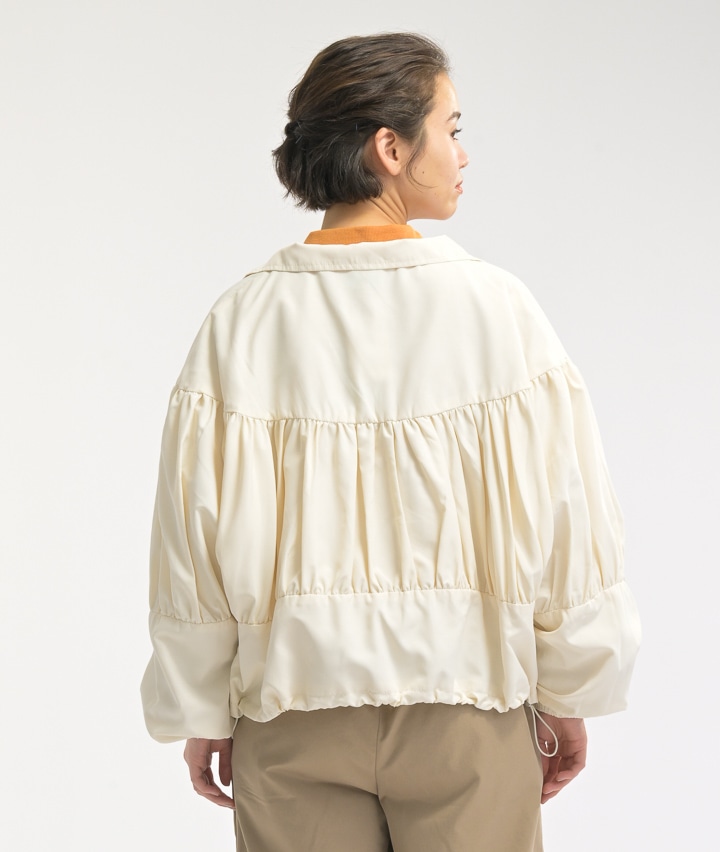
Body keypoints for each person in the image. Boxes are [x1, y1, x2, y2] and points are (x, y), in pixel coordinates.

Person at [141, 32, 641, 852]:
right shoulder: (497, 310)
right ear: (391, 148)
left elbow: (193, 536)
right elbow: (567, 515)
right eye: (451, 127)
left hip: (291, 711)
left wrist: (201, 703)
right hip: (468, 708)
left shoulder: (242, 322)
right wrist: (569, 690)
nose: (462, 152)